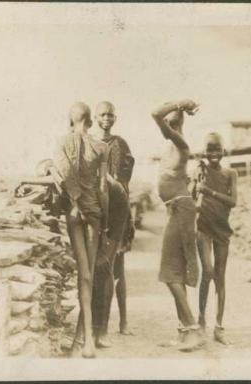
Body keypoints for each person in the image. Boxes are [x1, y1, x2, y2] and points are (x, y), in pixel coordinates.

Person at [52, 102, 109, 358]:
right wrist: (103, 219)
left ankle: (83, 339)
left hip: (74, 213)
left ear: (71, 119)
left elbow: (62, 173)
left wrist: (75, 200)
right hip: (95, 213)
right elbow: (104, 190)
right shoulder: (101, 147)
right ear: (89, 120)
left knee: (82, 272)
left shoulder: (62, 142)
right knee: (89, 275)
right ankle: (87, 341)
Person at [151, 99, 203, 352]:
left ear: (180, 121)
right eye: (168, 120)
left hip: (181, 208)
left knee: (170, 272)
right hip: (176, 208)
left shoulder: (181, 144)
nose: (169, 124)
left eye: (173, 120)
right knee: (175, 271)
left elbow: (154, 113)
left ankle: (192, 330)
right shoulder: (171, 146)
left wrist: (179, 102)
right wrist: (179, 106)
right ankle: (184, 332)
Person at [91, 101, 135, 348]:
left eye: (110, 115)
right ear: (95, 117)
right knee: (102, 268)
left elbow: (123, 179)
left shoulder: (120, 144)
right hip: (97, 209)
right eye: (102, 115)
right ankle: (97, 327)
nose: (107, 118)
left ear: (115, 118)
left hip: (118, 208)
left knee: (118, 267)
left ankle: (123, 321)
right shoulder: (90, 142)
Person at [189, 132, 237, 345]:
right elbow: (191, 196)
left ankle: (219, 326)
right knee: (207, 271)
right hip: (204, 227)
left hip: (222, 229)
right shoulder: (200, 170)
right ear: (204, 152)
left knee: (220, 276)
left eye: (217, 149)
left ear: (223, 151)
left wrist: (208, 191)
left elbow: (233, 201)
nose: (214, 153)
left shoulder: (230, 173)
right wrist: (196, 181)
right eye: (210, 149)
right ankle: (201, 322)